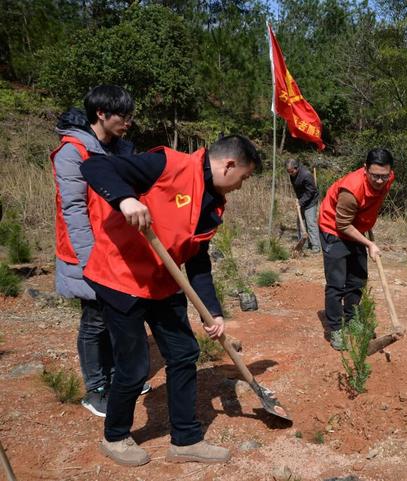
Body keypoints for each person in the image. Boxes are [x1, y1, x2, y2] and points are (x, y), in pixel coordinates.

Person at [79, 135, 261, 466]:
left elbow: (199, 262)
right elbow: (95, 165)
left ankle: (185, 440)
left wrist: (214, 313)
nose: (242, 184)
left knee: (184, 353)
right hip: (120, 277)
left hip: (163, 281)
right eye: (244, 177)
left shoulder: (213, 202)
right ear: (229, 165)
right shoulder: (168, 165)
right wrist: (125, 200)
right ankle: (115, 436)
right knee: (134, 368)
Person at [50, 85, 150, 418]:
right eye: (123, 116)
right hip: (87, 251)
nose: (129, 122)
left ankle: (118, 377)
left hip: (117, 248)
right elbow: (74, 210)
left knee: (115, 314)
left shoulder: (120, 149)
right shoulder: (73, 153)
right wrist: (91, 259)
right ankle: (96, 389)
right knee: (94, 319)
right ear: (101, 115)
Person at [317, 148, 395, 350]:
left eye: (384, 176)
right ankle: (335, 329)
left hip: (357, 227)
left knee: (358, 278)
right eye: (375, 176)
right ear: (365, 169)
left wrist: (367, 220)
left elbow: (375, 200)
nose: (380, 181)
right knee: (337, 283)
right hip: (333, 228)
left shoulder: (388, 179)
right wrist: (369, 244)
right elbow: (342, 224)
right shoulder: (351, 190)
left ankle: (351, 318)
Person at [286, 158, 320, 252]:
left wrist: (301, 202)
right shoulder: (292, 175)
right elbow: (298, 188)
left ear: (296, 168)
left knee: (310, 223)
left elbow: (311, 191)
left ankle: (316, 247)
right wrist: (298, 200)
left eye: (291, 171)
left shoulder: (306, 175)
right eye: (288, 172)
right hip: (302, 200)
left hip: (311, 201)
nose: (290, 173)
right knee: (301, 224)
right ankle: (304, 246)